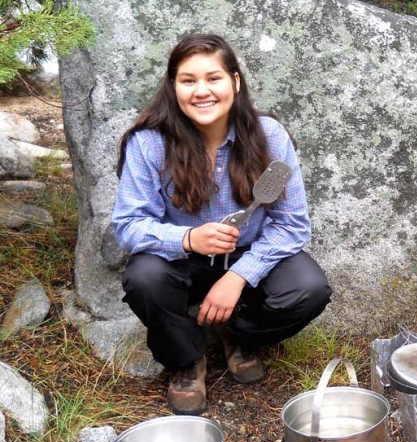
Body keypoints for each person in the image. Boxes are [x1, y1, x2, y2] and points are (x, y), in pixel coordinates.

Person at [111, 34, 332, 415]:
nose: (202, 91)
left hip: (248, 258)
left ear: (235, 81)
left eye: (213, 78)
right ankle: (185, 358)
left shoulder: (269, 138)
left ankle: (234, 332)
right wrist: (188, 238)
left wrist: (239, 276)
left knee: (308, 289)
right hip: (179, 261)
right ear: (173, 85)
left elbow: (291, 224)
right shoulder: (148, 143)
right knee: (144, 277)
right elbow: (129, 225)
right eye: (188, 80)